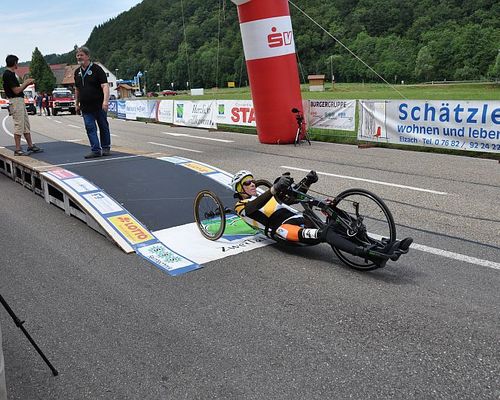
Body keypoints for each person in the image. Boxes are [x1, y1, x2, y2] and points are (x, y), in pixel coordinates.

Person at [232, 170, 413, 267]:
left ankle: (385, 245)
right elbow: (250, 209)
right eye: (247, 182)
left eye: (253, 181)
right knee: (326, 233)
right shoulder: (241, 206)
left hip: (300, 218)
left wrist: (308, 181)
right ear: (240, 188)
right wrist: (273, 189)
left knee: (336, 218)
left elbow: (292, 199)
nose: (252, 184)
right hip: (283, 230)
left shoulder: (264, 194)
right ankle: (368, 254)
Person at [74, 46, 111, 159]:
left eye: (81, 55)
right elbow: (77, 89)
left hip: (99, 104)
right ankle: (95, 150)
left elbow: (105, 86)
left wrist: (105, 101)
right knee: (90, 127)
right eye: (77, 55)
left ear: (87, 56)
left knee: (103, 126)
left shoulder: (97, 69)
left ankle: (105, 147)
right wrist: (76, 103)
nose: (79, 57)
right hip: (85, 106)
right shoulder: (77, 72)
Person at [1, 55, 43, 156]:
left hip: (19, 101)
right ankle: (18, 149)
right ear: (14, 63)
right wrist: (26, 83)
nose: (17, 64)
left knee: (25, 124)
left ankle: (30, 145)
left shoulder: (11, 74)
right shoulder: (8, 74)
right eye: (17, 62)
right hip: (15, 101)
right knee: (19, 124)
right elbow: (16, 90)